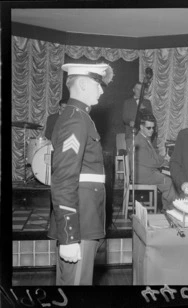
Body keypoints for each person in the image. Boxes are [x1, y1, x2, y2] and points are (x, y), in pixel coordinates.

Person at [47, 62, 113, 285]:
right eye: (98, 84)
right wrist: (68, 236)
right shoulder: (76, 119)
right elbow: (64, 179)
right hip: (79, 225)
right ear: (83, 84)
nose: (102, 90)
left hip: (86, 219)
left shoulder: (81, 117)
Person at [133, 114, 178, 211]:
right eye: (148, 128)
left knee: (167, 179)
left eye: (153, 128)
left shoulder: (144, 138)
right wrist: (165, 162)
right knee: (169, 182)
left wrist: (164, 159)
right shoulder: (139, 141)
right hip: (143, 175)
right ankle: (169, 210)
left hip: (146, 172)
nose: (151, 130)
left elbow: (154, 156)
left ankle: (167, 209)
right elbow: (151, 161)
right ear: (141, 127)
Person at [122, 82, 153, 152]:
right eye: (137, 89)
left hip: (144, 134)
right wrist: (130, 122)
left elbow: (150, 118)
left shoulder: (147, 102)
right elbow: (124, 118)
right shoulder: (127, 102)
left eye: (141, 89)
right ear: (133, 90)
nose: (139, 91)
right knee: (132, 157)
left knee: (145, 156)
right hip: (131, 134)